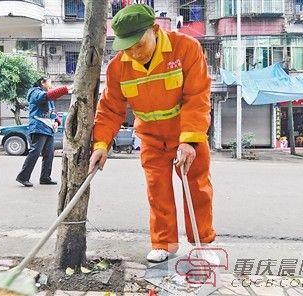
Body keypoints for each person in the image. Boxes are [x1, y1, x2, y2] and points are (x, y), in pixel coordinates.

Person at [89, 4, 216, 263]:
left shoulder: (186, 48)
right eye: (127, 47)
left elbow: (197, 96)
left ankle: (202, 244)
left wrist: (190, 140)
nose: (134, 53)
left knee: (197, 189)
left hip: (186, 135)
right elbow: (110, 109)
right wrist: (101, 144)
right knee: (157, 190)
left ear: (154, 30)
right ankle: (164, 243)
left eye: (138, 45)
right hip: (151, 139)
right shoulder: (117, 68)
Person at [16, 77, 71, 187]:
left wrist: (57, 121)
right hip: (38, 127)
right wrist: (65, 89)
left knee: (49, 154)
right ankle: (23, 177)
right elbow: (46, 96)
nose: (51, 85)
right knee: (35, 152)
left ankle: (45, 177)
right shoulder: (35, 92)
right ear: (42, 82)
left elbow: (53, 112)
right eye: (50, 82)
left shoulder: (47, 95)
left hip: (48, 128)